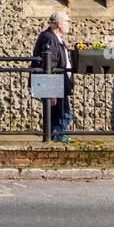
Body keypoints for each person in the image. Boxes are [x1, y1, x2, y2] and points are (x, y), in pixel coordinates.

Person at [32, 10, 74, 140]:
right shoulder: (49, 38)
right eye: (67, 22)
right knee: (64, 114)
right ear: (59, 24)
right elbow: (49, 65)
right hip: (54, 85)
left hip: (57, 84)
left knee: (57, 114)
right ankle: (57, 137)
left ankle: (54, 136)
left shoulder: (53, 37)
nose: (69, 25)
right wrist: (51, 92)